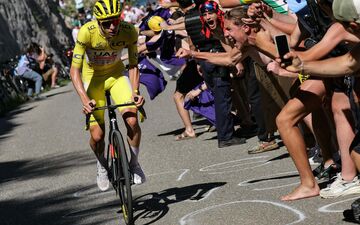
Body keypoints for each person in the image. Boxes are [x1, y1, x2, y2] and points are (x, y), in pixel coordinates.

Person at [70, 0, 146, 192]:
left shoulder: (129, 31)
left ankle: (134, 163)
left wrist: (136, 92)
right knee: (98, 135)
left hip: (116, 76)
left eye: (115, 21)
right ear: (98, 22)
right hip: (93, 79)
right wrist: (85, 100)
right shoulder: (86, 32)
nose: (112, 26)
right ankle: (102, 165)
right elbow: (74, 71)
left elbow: (134, 64)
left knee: (132, 121)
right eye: (106, 23)